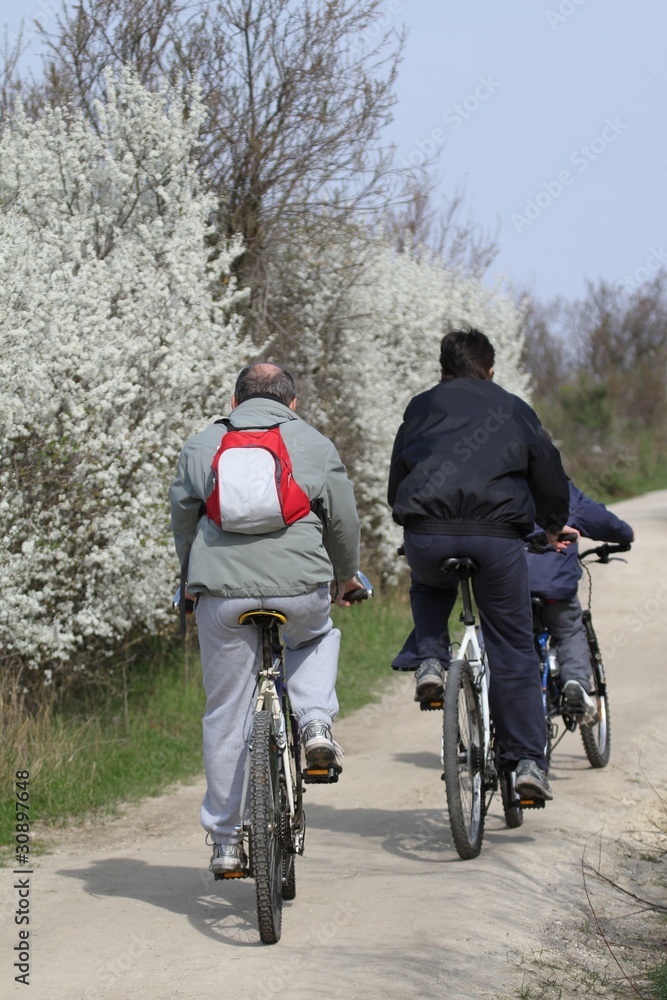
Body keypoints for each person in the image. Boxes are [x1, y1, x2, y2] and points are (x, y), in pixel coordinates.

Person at [170, 362, 363, 874]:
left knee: (227, 709)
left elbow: (183, 521)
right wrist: (346, 577)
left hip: (222, 596)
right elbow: (342, 519)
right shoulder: (315, 443)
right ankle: (316, 725)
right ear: (291, 404)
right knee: (314, 637)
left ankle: (227, 843)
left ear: (235, 403)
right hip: (300, 589)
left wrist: (190, 584)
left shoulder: (201, 445)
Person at [388, 327, 575, 802]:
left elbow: (397, 480)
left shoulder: (420, 406)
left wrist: (410, 519)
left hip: (427, 533)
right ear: (490, 370)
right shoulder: (512, 407)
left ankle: (431, 660)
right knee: (513, 647)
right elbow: (549, 471)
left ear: (443, 371)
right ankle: (528, 762)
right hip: (495, 540)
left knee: (429, 587)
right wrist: (552, 525)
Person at [527, 481, 634, 722]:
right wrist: (626, 534)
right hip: (556, 588)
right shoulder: (562, 490)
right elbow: (600, 519)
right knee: (569, 632)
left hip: (512, 587)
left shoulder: (503, 486)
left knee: (517, 639)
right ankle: (575, 681)